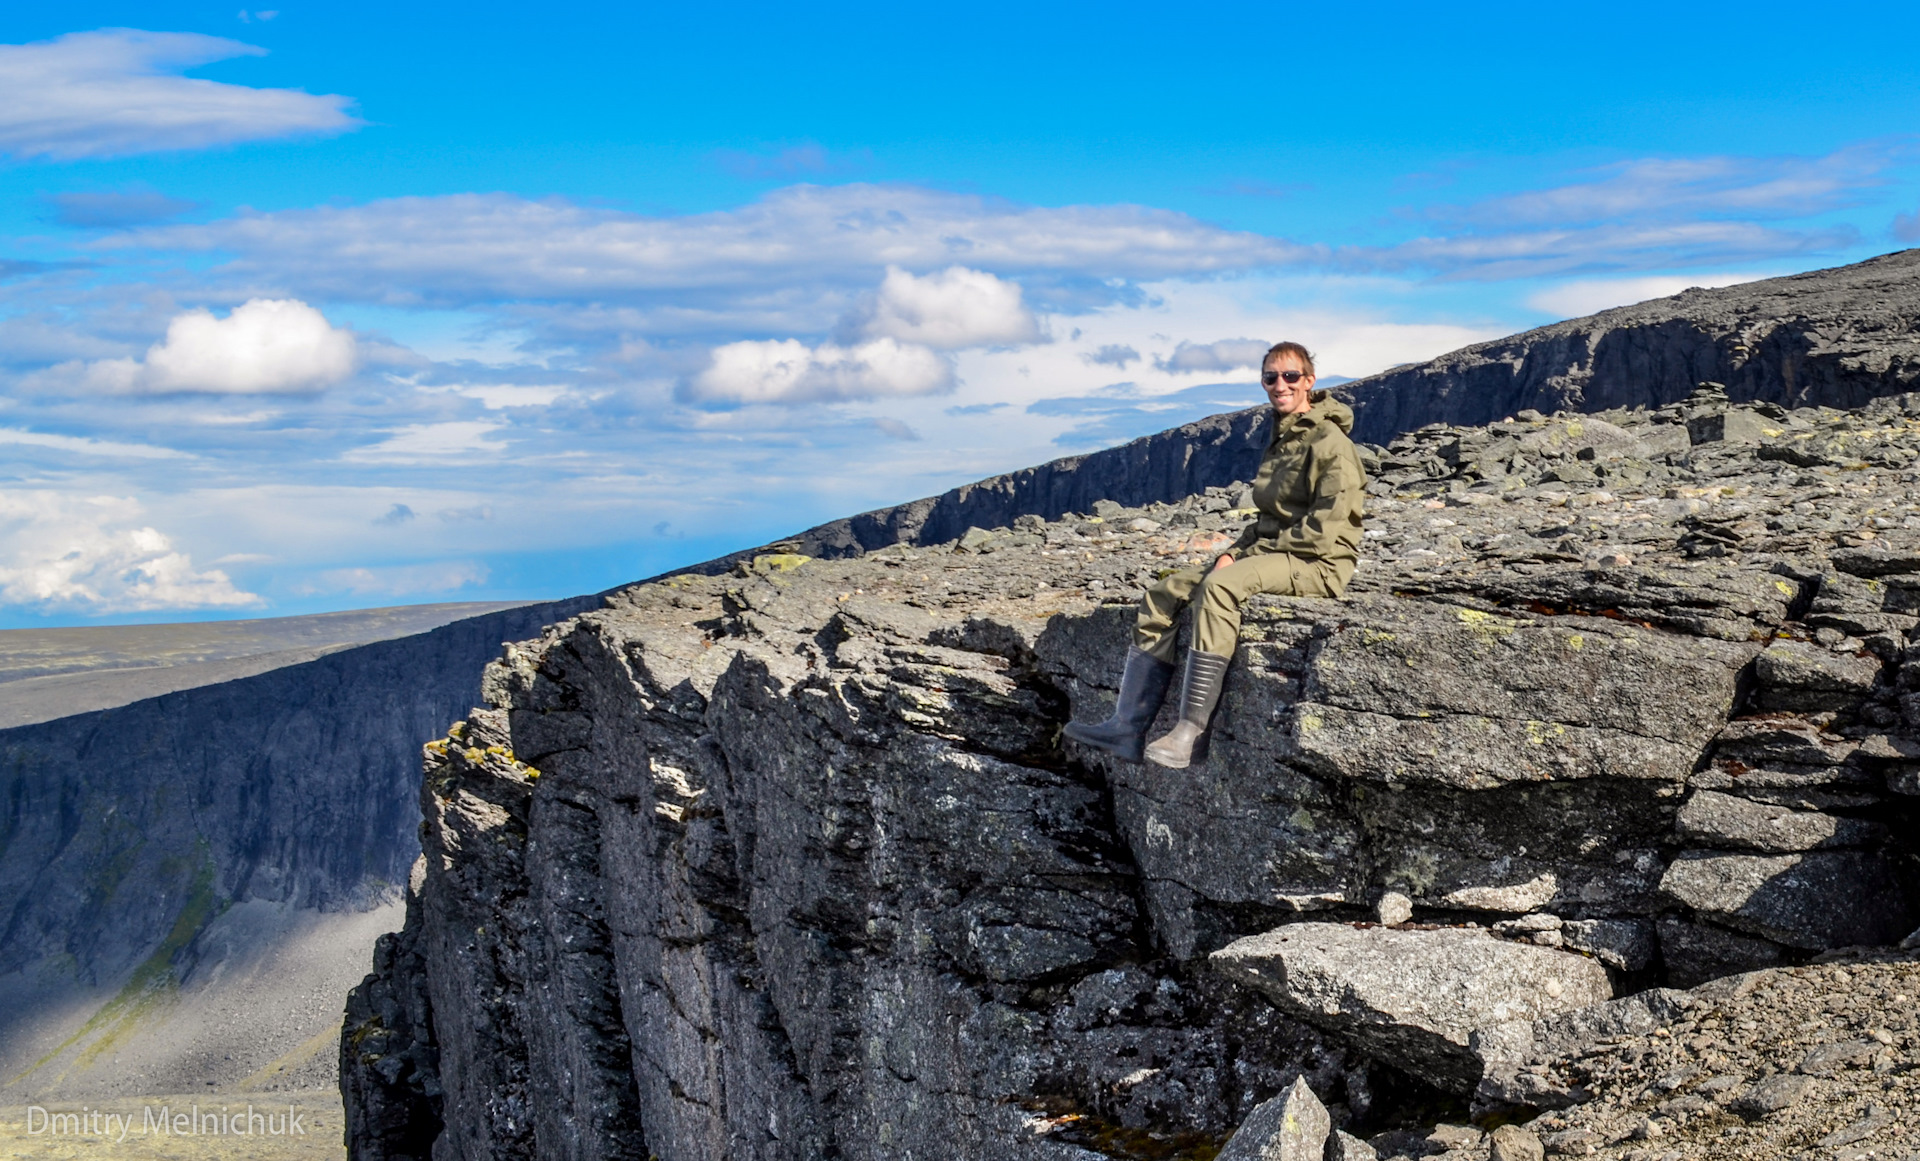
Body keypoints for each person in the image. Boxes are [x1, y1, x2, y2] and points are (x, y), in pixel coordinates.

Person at [1062, 341, 1367, 768]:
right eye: (1270, 377)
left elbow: (1324, 528)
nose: (1280, 384)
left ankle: (1191, 733)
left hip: (1320, 563)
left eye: (1290, 376)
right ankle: (1126, 729)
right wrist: (1238, 549)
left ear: (1309, 382)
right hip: (1279, 551)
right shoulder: (1284, 437)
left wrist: (1244, 558)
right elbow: (1268, 519)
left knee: (1222, 587)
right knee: (1165, 593)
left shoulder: (1329, 442)